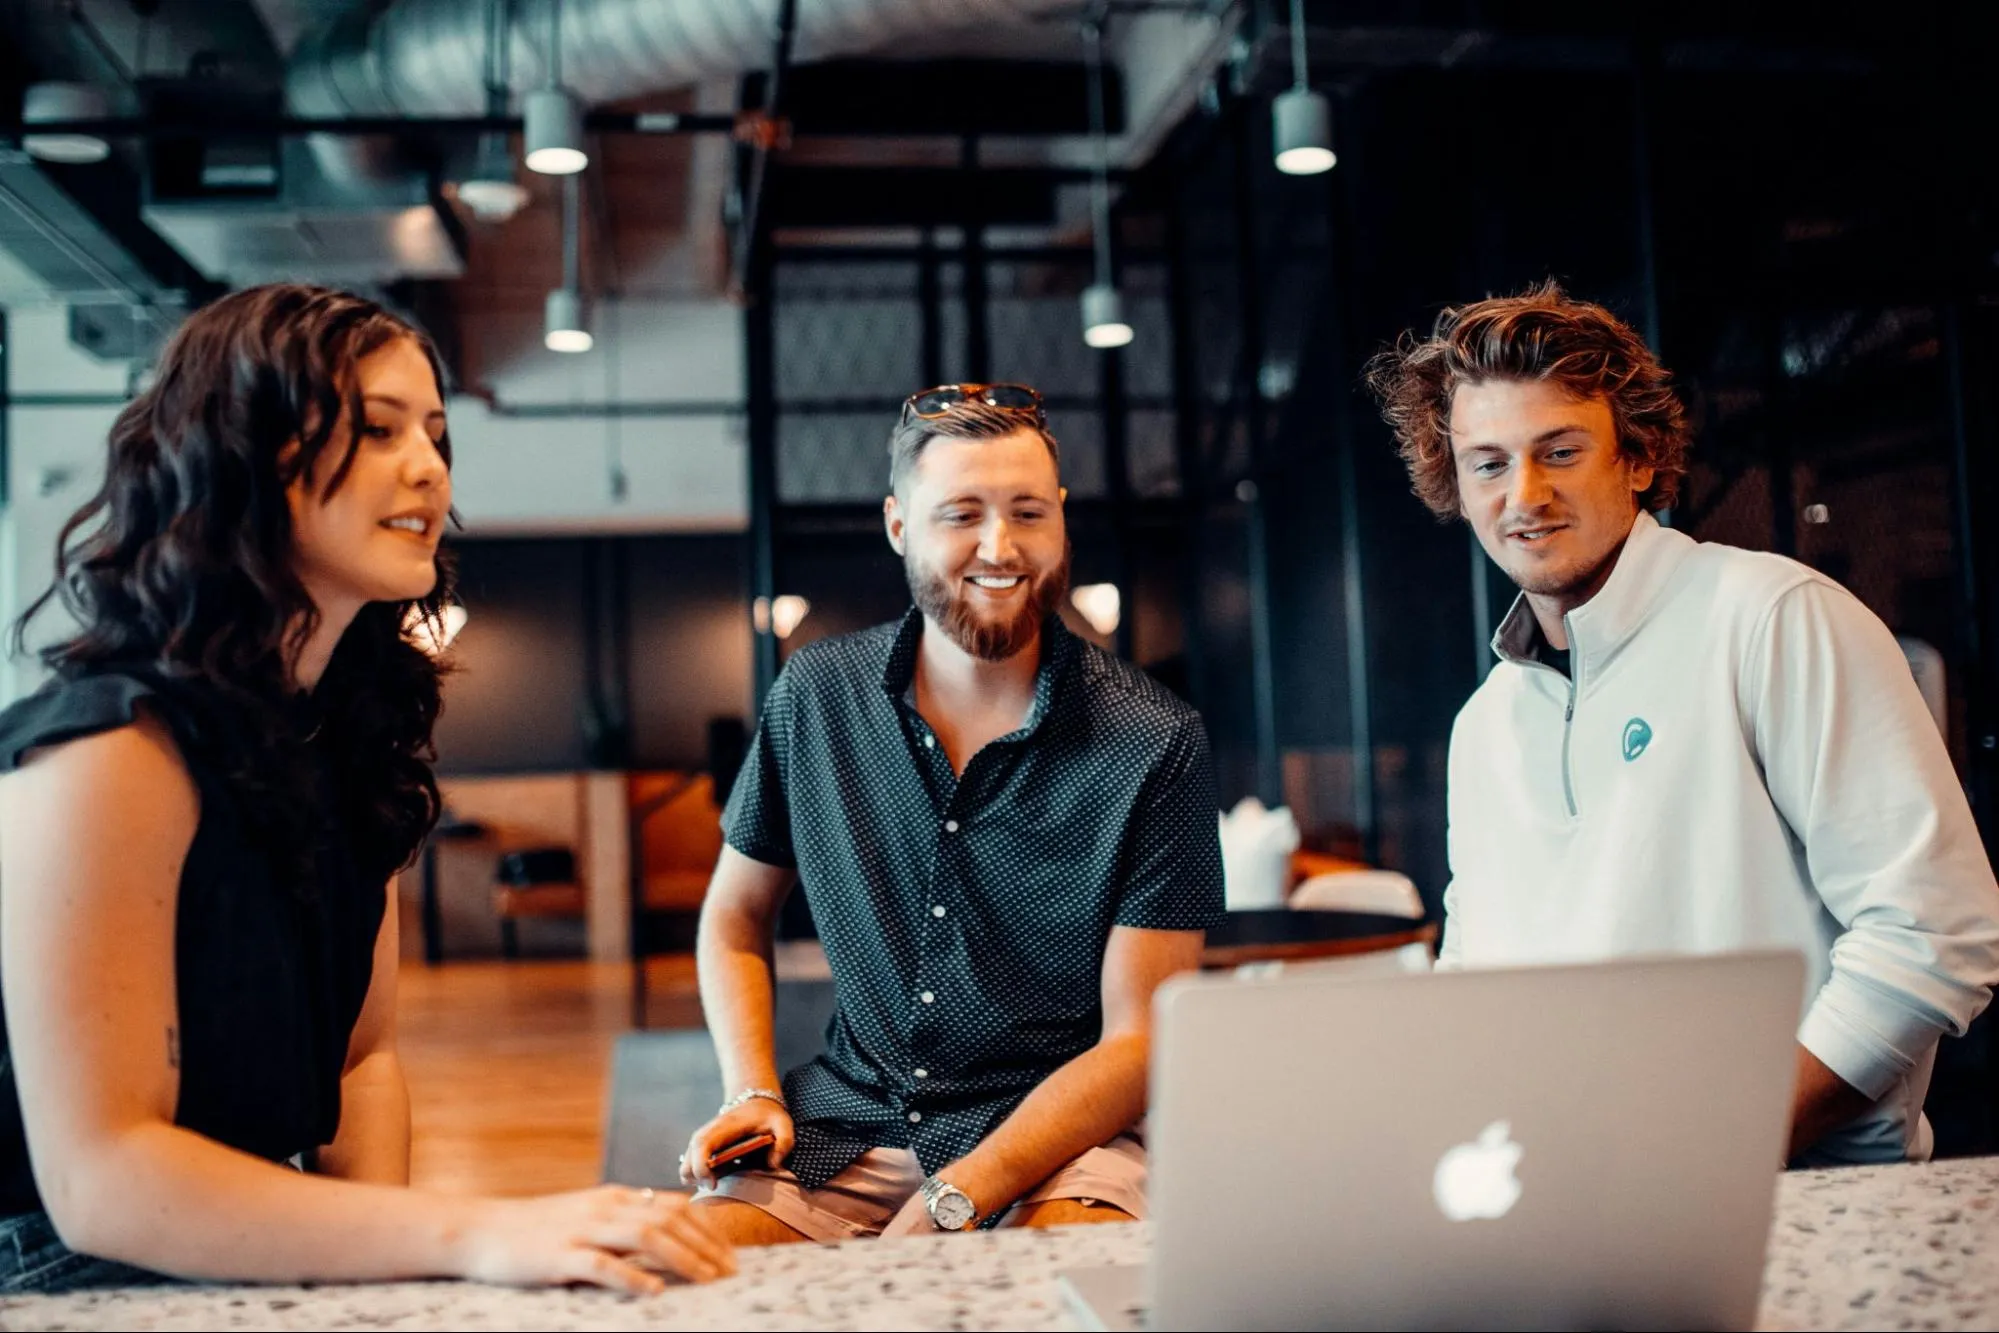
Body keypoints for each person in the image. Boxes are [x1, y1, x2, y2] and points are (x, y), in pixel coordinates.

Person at [0, 284, 732, 1292]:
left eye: (435, 432)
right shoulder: (110, 749)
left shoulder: (348, 736)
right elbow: (100, 1178)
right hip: (57, 1269)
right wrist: (463, 1236)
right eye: (378, 428)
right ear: (246, 456)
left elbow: (362, 1062)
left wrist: (385, 1281)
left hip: (236, 1237)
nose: (428, 466)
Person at [1365, 281, 1999, 1165]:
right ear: (1456, 487)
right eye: (1488, 463)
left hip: (1804, 1200)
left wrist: (1719, 1147)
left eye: (1559, 449)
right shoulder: (1485, 725)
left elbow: (1933, 933)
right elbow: (1478, 988)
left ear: (1636, 459)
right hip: (1568, 1203)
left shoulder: (1773, 617)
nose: (1525, 493)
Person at [681, 383, 1225, 1242]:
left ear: (1061, 521)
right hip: (847, 1126)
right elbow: (734, 918)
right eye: (961, 513)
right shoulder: (816, 698)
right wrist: (751, 1090)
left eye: (1026, 512)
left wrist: (956, 1196)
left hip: (1058, 1138)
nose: (999, 547)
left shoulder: (1156, 740)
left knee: (1031, 1298)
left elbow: (1138, 1041)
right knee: (692, 1280)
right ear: (900, 525)